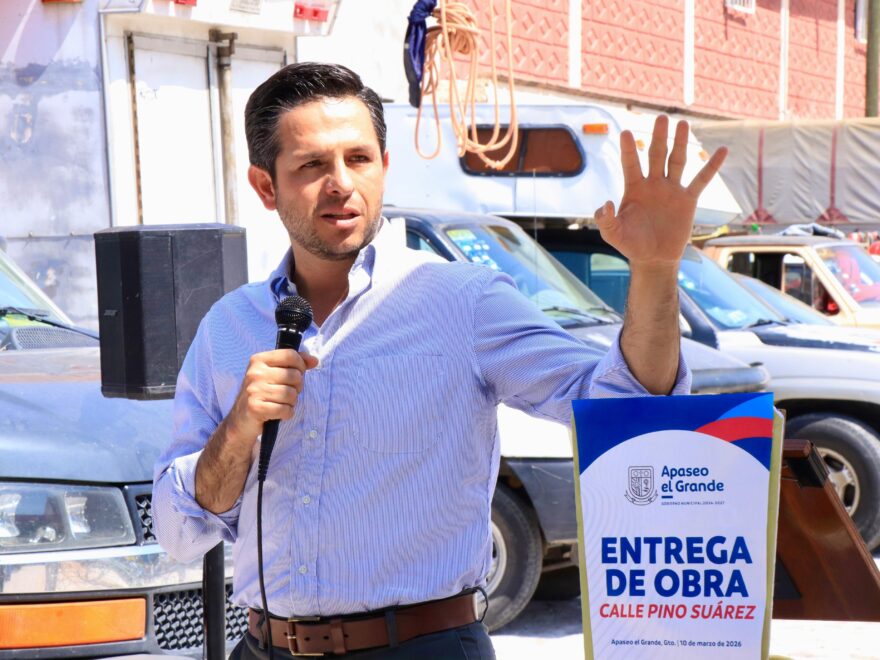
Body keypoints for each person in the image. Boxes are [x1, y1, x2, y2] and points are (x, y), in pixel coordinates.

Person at [152, 62, 726, 659]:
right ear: (266, 187)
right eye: (313, 165)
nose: (341, 183)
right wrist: (238, 430)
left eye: (358, 158)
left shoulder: (462, 302)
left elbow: (630, 408)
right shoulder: (229, 327)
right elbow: (178, 533)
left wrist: (656, 268)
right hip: (263, 648)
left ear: (384, 165)